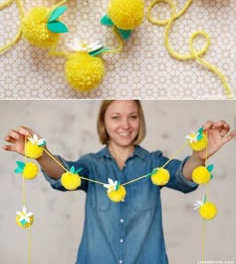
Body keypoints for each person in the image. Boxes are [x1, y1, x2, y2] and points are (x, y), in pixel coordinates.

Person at [3, 100, 235, 264]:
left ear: (140, 120)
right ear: (103, 121)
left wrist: (198, 156)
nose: (125, 125)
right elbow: (64, 176)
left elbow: (182, 176)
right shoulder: (91, 164)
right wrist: (40, 154)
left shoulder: (154, 162)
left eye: (132, 116)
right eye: (116, 117)